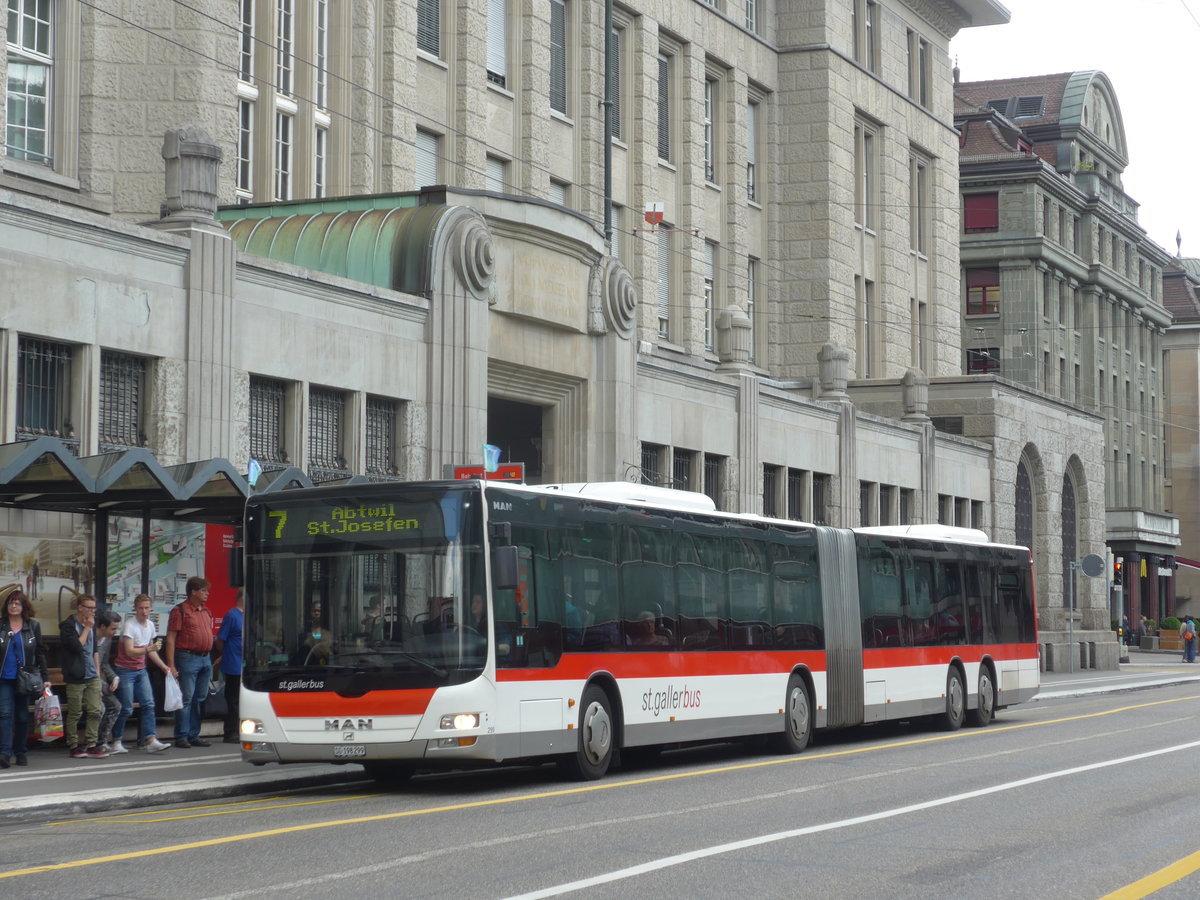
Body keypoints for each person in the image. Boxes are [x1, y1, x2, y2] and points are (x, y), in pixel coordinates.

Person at [111, 594, 171, 753]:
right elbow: (130, 651)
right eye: (140, 608)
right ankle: (116, 740)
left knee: (149, 704)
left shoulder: (150, 625)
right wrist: (148, 649)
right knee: (126, 708)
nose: (144, 611)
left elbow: (151, 651)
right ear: (135, 609)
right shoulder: (130, 626)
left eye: (146, 608)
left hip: (141, 669)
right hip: (125, 670)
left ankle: (151, 739)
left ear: (151, 608)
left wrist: (163, 666)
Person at [0, 586, 50, 767]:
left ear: (23, 606)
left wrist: (45, 677)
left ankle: (21, 752)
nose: (13, 606)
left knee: (22, 716)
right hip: (4, 677)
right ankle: (4, 753)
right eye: (10, 603)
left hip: (25, 677)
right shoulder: (1, 625)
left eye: (17, 603)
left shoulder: (33, 626)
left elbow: (40, 652)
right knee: (5, 714)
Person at [165, 576, 215, 749]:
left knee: (199, 697)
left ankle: (194, 734)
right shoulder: (180, 611)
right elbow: (171, 638)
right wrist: (171, 664)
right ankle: (182, 735)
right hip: (187, 657)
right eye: (203, 590)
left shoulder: (206, 611)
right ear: (193, 592)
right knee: (186, 697)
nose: (206, 594)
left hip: (205, 658)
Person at [59, 594, 108, 758]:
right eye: (89, 608)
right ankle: (73, 745)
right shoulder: (68, 625)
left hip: (91, 673)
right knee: (75, 712)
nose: (92, 611)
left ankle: (92, 743)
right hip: (75, 674)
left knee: (95, 710)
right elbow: (76, 646)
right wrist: (87, 628)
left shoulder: (91, 624)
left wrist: (98, 673)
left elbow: (94, 650)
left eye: (94, 608)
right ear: (80, 607)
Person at [214, 587, 244, 743]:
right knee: (233, 698)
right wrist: (225, 653)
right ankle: (230, 731)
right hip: (233, 662)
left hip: (244, 662)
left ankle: (239, 729)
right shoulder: (232, 615)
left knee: (241, 698)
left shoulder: (247, 615)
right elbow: (220, 638)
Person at [95, 610, 124, 753]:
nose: (114, 632)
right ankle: (92, 742)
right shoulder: (90, 638)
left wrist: (114, 677)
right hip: (87, 680)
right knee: (100, 708)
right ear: (102, 626)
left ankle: (102, 741)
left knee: (115, 706)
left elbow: (104, 663)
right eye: (112, 628)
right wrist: (97, 685)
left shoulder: (107, 640)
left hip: (99, 680)